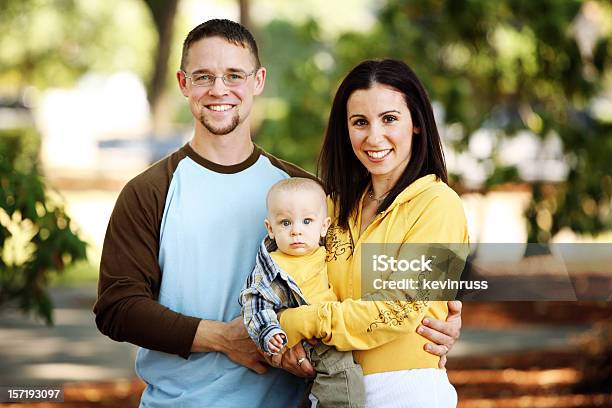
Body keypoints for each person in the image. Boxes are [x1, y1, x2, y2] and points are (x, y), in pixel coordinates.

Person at [93, 19, 462, 408]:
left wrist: (432, 318)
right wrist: (223, 336)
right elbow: (118, 307)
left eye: (234, 75)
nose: (219, 90)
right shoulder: (150, 191)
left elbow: (380, 300)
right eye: (204, 76)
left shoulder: (304, 192)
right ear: (183, 84)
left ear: (258, 81)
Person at [278, 59, 470, 407]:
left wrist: (298, 323)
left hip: (407, 393)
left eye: (390, 119)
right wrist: (279, 341)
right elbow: (287, 279)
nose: (374, 136)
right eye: (360, 122)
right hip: (333, 391)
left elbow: (398, 310)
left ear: (417, 124)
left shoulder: (442, 205)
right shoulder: (330, 209)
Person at [241, 177, 365, 407]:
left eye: (307, 221)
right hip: (316, 342)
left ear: (324, 226)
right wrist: (269, 332)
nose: (296, 231)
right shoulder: (272, 267)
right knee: (346, 388)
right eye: (286, 223)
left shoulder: (328, 253)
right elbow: (255, 302)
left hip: (341, 328)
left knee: (322, 392)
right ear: (270, 228)